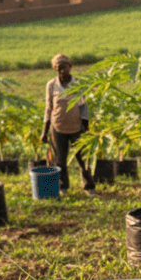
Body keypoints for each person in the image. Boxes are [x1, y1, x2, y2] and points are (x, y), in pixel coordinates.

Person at [40, 53, 97, 196]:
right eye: (58, 68)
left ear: (70, 67)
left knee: (83, 158)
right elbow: (48, 107)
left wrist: (86, 126)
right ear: (55, 69)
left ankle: (89, 187)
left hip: (76, 127)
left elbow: (84, 106)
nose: (62, 71)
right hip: (57, 127)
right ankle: (63, 187)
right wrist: (44, 131)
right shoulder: (51, 85)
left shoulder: (78, 84)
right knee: (60, 160)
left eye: (64, 67)